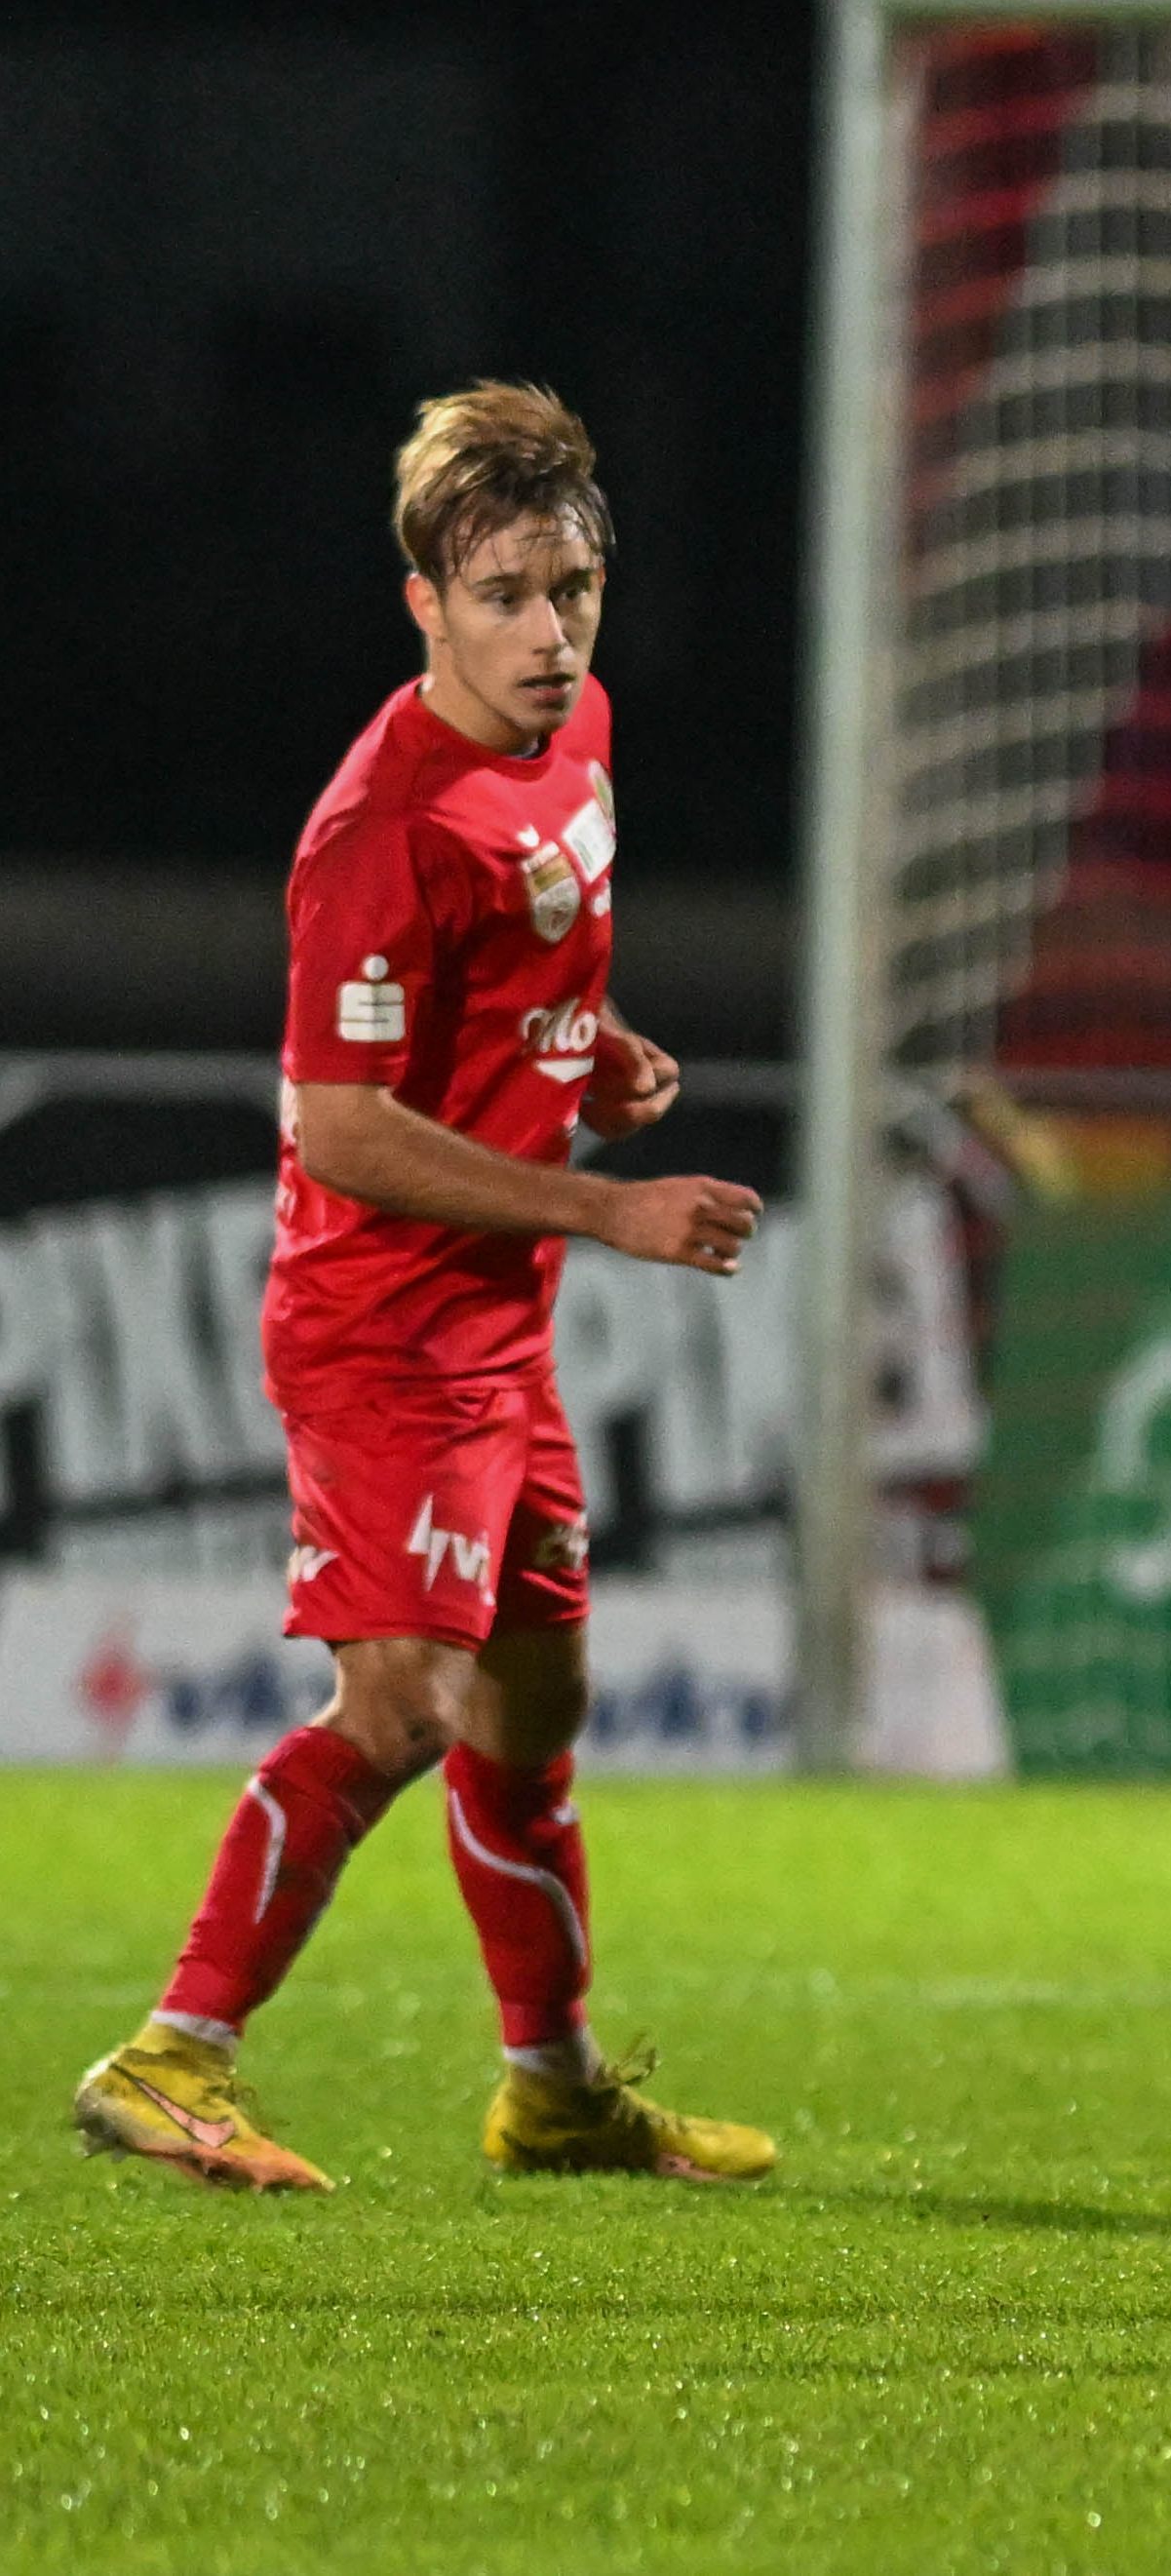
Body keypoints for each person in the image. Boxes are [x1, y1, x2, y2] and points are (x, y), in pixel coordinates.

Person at [72, 384, 778, 2194]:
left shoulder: (584, 731)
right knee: (399, 1710)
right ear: (425, 605)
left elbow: (518, 978)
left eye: (575, 588)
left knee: (532, 1725)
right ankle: (174, 2055)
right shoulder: (379, 830)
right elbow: (341, 1128)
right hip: (384, 1327)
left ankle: (550, 2091)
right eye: (506, 598)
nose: (551, 635)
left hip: (500, 1328)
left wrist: (584, 1046)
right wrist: (603, 1207)